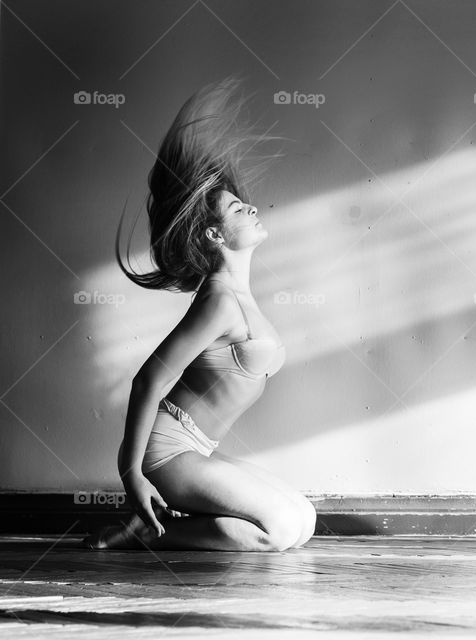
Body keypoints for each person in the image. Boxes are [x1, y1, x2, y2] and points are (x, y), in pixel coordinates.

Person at [85, 77, 315, 551]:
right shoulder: (218, 301)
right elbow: (148, 380)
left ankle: (156, 527)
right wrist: (130, 474)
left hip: (197, 448)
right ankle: (146, 535)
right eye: (236, 208)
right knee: (280, 533)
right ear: (214, 235)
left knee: (304, 519)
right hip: (167, 452)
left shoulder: (239, 296)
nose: (251, 207)